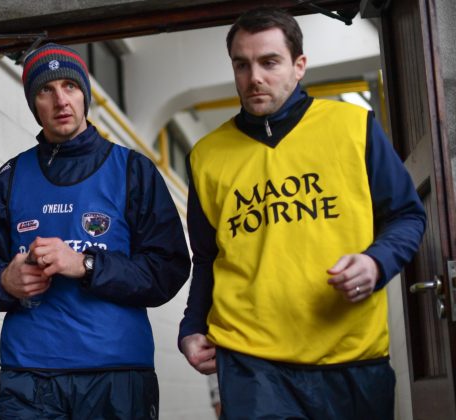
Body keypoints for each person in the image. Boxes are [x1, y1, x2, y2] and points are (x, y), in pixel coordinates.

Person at [178, 7, 426, 420]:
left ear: (299, 66)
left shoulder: (354, 127)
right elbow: (206, 257)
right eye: (242, 64)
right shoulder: (206, 157)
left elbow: (407, 216)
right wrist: (191, 327)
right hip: (250, 362)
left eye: (269, 62)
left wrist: (375, 262)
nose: (254, 77)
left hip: (351, 355)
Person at [0, 43, 190, 419]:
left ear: (85, 94)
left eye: (70, 87)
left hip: (115, 374)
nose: (61, 100)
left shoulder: (133, 171)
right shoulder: (9, 179)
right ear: (33, 102)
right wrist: (5, 281)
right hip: (29, 377)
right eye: (46, 90)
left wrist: (86, 265)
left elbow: (168, 269)